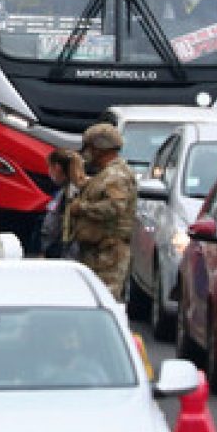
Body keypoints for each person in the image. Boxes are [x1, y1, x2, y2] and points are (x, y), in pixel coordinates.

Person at [68, 122, 137, 301]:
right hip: (95, 252)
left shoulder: (116, 176)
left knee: (104, 300)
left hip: (108, 254)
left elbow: (115, 206)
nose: (86, 153)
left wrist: (82, 208)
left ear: (99, 149)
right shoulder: (105, 174)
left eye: (89, 148)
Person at [36, 148, 84, 259]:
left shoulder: (70, 194)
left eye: (49, 167)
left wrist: (44, 251)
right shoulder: (67, 190)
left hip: (69, 255)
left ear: (57, 168)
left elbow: (52, 226)